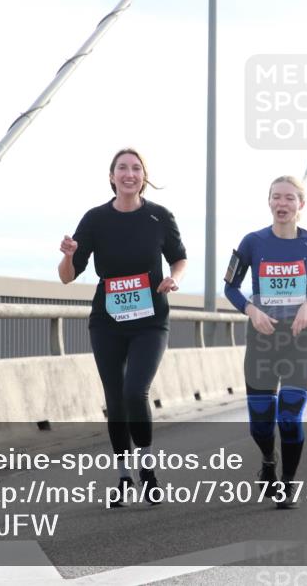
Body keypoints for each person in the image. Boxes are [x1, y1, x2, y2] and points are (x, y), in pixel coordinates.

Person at [59, 148, 187, 505]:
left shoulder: (159, 217)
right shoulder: (95, 219)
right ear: (112, 176)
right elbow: (68, 278)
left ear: (143, 176)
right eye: (122, 168)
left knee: (135, 392)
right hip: (108, 321)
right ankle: (123, 476)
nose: (129, 174)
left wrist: (173, 278)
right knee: (115, 398)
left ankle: (146, 467)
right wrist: (68, 255)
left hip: (151, 320)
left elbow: (179, 257)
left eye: (136, 168)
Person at [224, 176, 307, 509]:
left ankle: (287, 485)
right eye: (276, 197)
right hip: (261, 339)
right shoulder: (252, 242)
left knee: (289, 416)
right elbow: (230, 287)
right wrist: (249, 309)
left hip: (300, 340)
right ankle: (268, 461)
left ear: (301, 205)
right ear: (269, 202)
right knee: (260, 423)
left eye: (290, 198)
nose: (282, 204)